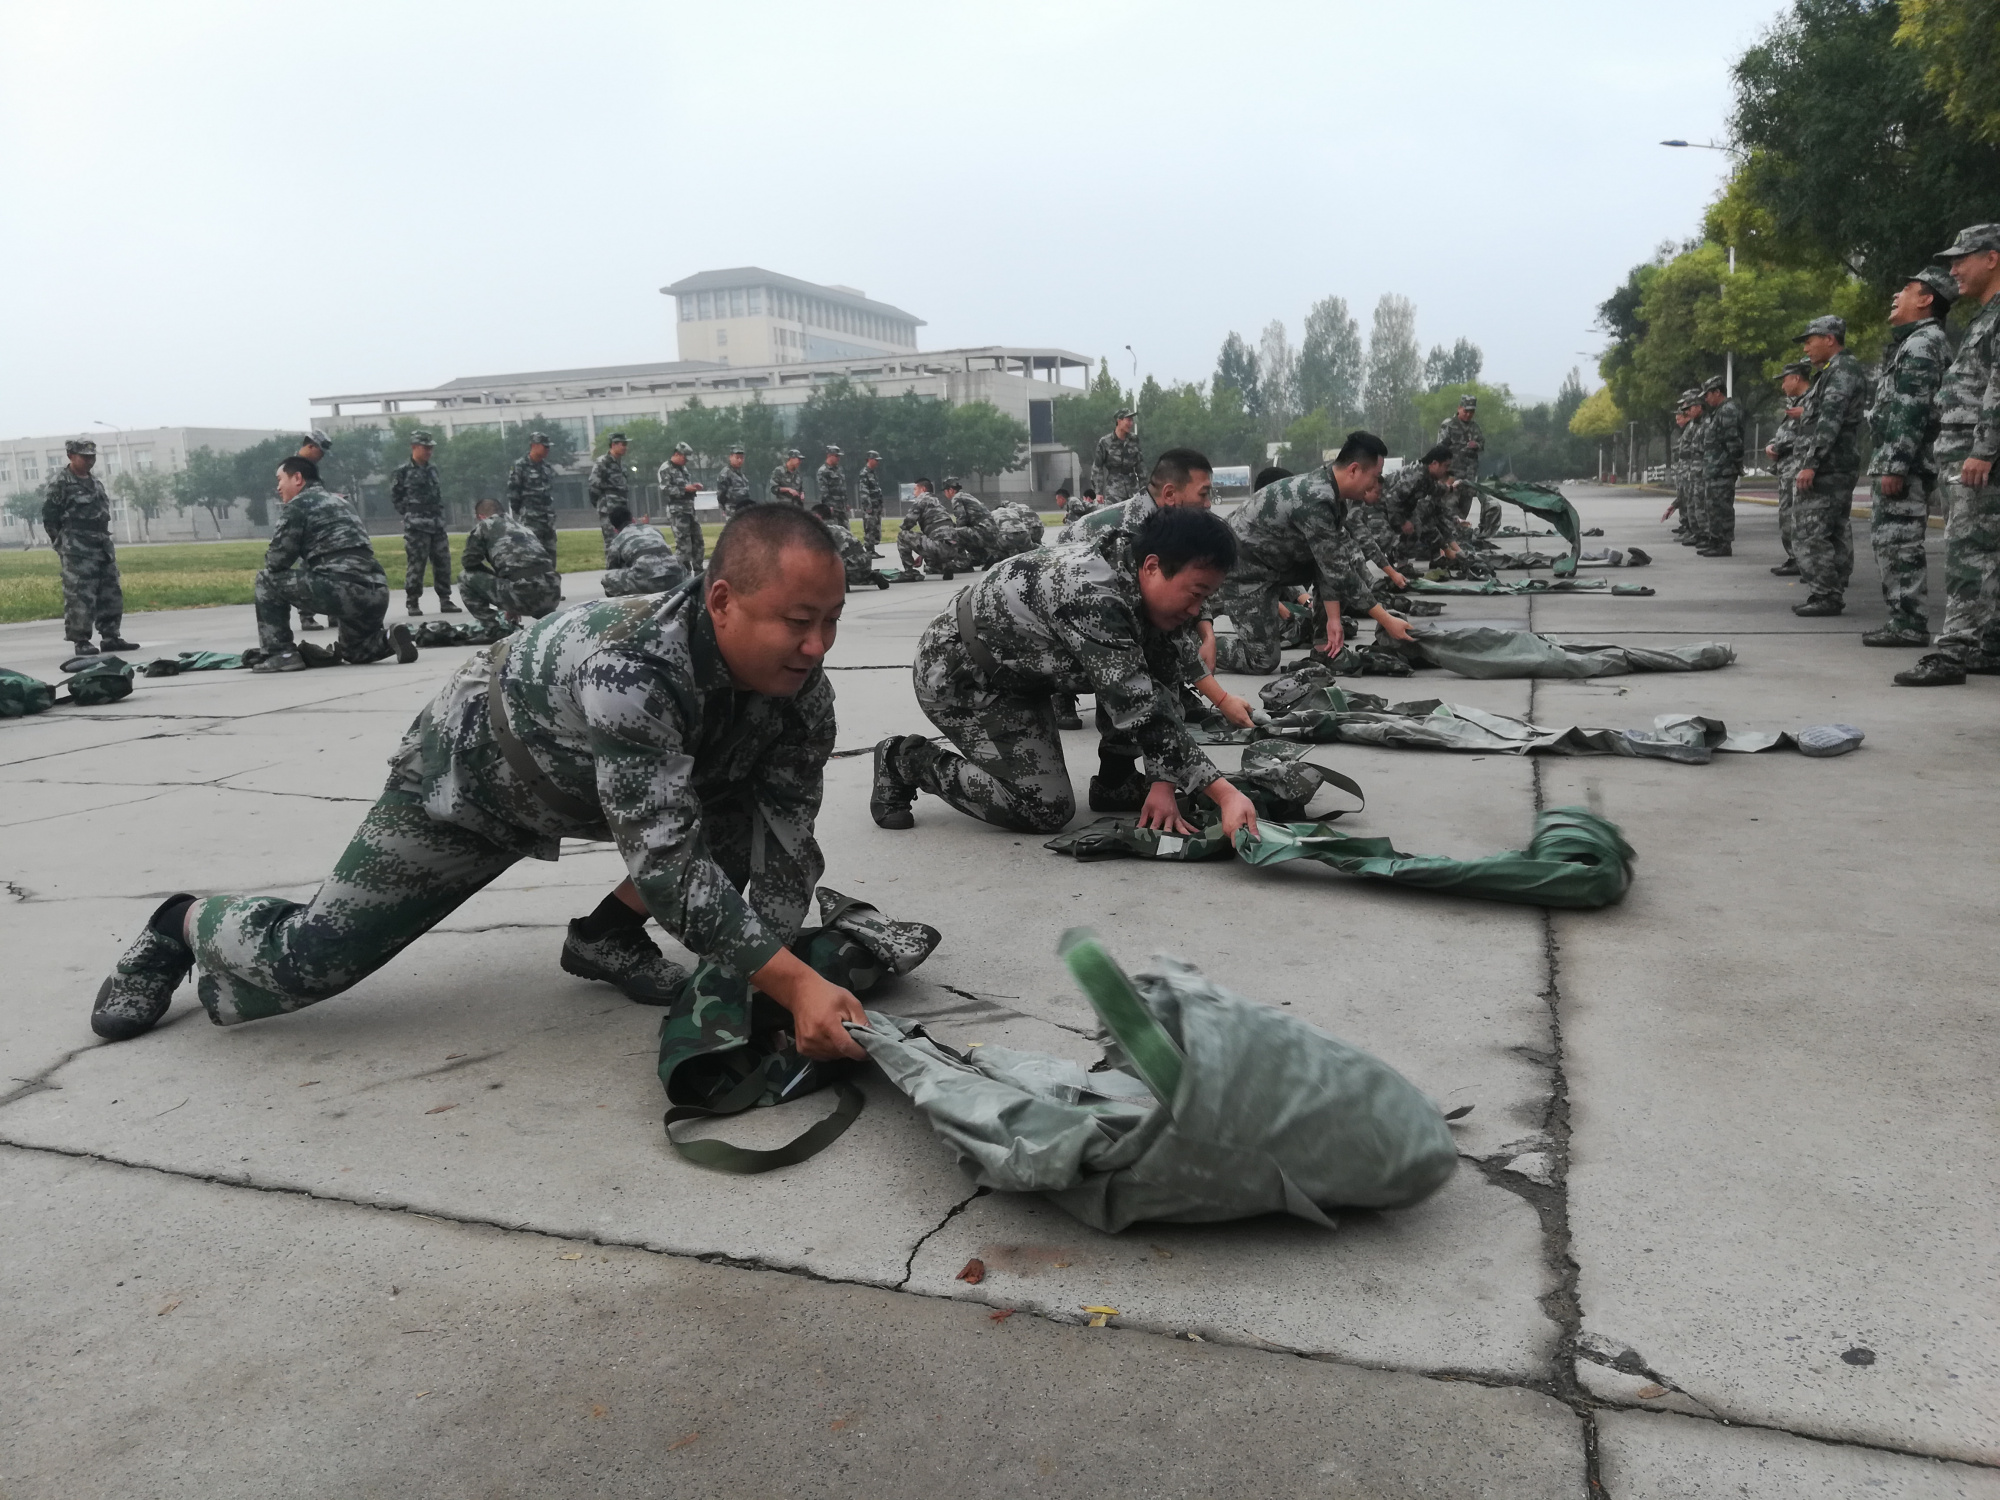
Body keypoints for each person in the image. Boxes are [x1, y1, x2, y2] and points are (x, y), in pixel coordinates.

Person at [91, 504, 869, 1066]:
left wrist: (764, 980)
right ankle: (181, 924)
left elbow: (784, 839)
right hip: (475, 785)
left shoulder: (802, 690)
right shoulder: (633, 667)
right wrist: (794, 980)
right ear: (723, 602)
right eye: (798, 620)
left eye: (831, 620)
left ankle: (603, 937)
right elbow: (668, 863)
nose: (816, 645)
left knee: (739, 830)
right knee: (311, 960)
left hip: (600, 788)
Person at [869, 506, 1261, 840]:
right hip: (964, 681)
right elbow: (1142, 709)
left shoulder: (1140, 573)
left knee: (1138, 670)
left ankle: (1117, 782)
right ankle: (905, 760)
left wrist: (1164, 784)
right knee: (1043, 808)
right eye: (1196, 594)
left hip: (1025, 676)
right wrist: (1225, 795)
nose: (1196, 611)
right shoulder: (1091, 594)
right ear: (1154, 567)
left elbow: (1163, 674)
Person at [1208, 432, 1416, 674]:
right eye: (1375, 476)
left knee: (1340, 561)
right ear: (1354, 470)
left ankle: (1325, 648)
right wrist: (1386, 620)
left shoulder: (1332, 494)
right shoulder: (1316, 500)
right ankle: (1192, 645)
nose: (1376, 483)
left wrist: (1334, 621)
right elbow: (1339, 573)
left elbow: (1327, 565)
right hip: (1243, 571)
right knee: (1262, 660)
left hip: (1274, 565)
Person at [1897, 225, 2000, 687]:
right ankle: (1989, 644)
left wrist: (1983, 449)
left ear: (1992, 258)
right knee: (1985, 553)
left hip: (1978, 458)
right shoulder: (1985, 316)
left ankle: (1954, 651)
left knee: (1967, 553)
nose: (1953, 269)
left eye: (1963, 259)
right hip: (1967, 454)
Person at [250, 456, 417, 674]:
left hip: (341, 589)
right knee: (355, 651)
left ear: (297, 478)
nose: (278, 486)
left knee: (266, 580)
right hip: (376, 590)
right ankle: (388, 638)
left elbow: (276, 561)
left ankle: (280, 654)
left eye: (280, 479)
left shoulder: (297, 506)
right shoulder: (342, 502)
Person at [1862, 267, 1957, 647]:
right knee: (1893, 541)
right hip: (1910, 460)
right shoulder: (1914, 342)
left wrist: (1895, 464)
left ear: (1926, 299)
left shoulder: (1921, 344)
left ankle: (1909, 622)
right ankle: (1904, 617)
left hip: (1909, 464)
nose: (1895, 295)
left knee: (1899, 542)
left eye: (1906, 288)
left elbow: (1911, 409)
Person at [1790, 316, 1870, 617]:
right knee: (1832, 529)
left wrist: (1811, 463)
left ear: (1829, 339)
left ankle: (1825, 593)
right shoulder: (1833, 372)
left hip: (1830, 465)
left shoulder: (1840, 372)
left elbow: (1830, 422)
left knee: (1812, 531)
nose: (1807, 348)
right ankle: (1831, 589)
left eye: (1810, 340)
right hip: (1835, 463)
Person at [42, 438, 138, 655]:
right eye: (84, 456)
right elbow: (50, 517)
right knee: (80, 594)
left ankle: (111, 636)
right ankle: (81, 640)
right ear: (71, 456)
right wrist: (61, 544)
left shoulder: (95, 482)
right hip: (77, 547)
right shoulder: (61, 483)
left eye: (92, 456)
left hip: (101, 544)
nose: (89, 461)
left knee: (110, 591)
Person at [460, 497, 561, 634]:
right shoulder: (523, 527)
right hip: (553, 593)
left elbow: (469, 562)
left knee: (465, 577)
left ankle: (493, 628)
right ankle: (548, 622)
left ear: (481, 516)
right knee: (527, 576)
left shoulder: (485, 526)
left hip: (524, 596)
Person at [391, 431, 460, 617]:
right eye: (426, 447)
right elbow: (396, 496)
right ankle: (412, 601)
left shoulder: (433, 469)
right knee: (417, 564)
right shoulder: (403, 471)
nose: (429, 451)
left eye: (431, 448)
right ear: (414, 447)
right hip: (417, 525)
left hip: (436, 523)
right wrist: (410, 514)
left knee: (443, 562)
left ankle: (445, 599)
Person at [1373, 445, 1467, 572]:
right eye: (1445, 466)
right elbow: (1391, 499)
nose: (1446, 470)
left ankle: (1401, 565)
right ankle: (1393, 554)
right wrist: (1402, 522)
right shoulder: (1415, 476)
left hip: (1402, 506)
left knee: (1415, 527)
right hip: (1382, 505)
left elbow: (1435, 489)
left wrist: (1450, 488)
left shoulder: (1427, 476)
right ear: (1434, 463)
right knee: (1387, 537)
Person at [1765, 364, 1812, 575]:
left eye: (1785, 380)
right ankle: (1796, 558)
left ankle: (1803, 560)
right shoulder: (1797, 404)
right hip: (1787, 468)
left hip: (1797, 467)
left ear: (1796, 378)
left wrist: (1777, 447)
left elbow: (1803, 435)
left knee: (1798, 517)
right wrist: (1773, 445)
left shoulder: (1811, 402)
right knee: (1788, 516)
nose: (1783, 385)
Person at [1697, 375, 1744, 557]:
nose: (1706, 399)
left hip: (1723, 469)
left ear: (1718, 392)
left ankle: (1723, 544)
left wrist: (1735, 465)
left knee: (1722, 508)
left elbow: (1733, 440)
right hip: (1715, 469)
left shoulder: (1728, 410)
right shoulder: (1718, 411)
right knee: (1713, 507)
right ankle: (1715, 540)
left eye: (1708, 395)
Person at [293, 431, 335, 632]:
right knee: (307, 570)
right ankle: (306, 615)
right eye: (320, 451)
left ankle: (333, 612)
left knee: (330, 566)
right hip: (306, 524)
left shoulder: (311, 469)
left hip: (321, 524)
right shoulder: (293, 468)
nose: (322, 455)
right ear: (310, 446)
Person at [599, 504, 688, 596]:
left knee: (607, 579)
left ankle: (629, 605)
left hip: (649, 581)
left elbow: (612, 567)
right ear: (633, 519)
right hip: (677, 577)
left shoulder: (617, 540)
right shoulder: (653, 529)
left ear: (615, 530)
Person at [1438, 394, 1494, 532]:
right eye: (1466, 411)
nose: (1469, 414)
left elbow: (1482, 443)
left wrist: (1477, 445)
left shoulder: (1475, 427)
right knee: (1450, 506)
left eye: (1472, 412)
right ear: (1459, 408)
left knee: (1465, 506)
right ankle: (1451, 533)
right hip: (1452, 474)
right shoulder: (1448, 425)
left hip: (1469, 476)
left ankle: (1460, 533)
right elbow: (1439, 449)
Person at [896, 478, 971, 579]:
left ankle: (909, 573)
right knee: (934, 540)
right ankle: (945, 565)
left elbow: (908, 523)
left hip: (938, 546)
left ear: (922, 489)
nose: (914, 493)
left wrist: (904, 529)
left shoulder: (922, 498)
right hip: (953, 549)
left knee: (902, 536)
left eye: (915, 489)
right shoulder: (937, 503)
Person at [507, 431, 561, 564]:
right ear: (534, 446)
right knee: (532, 559)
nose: (548, 449)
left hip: (547, 522)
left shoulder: (547, 468)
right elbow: (514, 495)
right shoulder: (520, 466)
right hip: (530, 520)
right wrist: (525, 511)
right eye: (545, 446)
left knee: (550, 561)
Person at [811, 503, 891, 590]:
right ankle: (872, 577)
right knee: (856, 573)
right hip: (865, 564)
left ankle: (840, 582)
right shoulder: (840, 527)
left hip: (850, 566)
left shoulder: (822, 531)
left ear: (817, 516)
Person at [658, 441, 706, 572]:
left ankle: (698, 569)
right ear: (677, 454)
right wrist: (684, 489)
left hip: (689, 509)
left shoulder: (683, 469)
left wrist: (693, 487)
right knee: (683, 544)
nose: (686, 461)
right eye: (685, 457)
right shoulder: (665, 468)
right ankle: (681, 571)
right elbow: (665, 489)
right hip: (677, 511)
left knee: (698, 541)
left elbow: (685, 486)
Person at [588, 433, 632, 559]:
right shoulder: (603, 462)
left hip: (622, 507)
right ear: (613, 445)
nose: (625, 447)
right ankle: (612, 571)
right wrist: (601, 504)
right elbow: (593, 485)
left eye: (626, 444)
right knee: (611, 541)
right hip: (609, 508)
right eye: (622, 444)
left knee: (625, 539)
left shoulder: (621, 464)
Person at [1091, 408, 1144, 503]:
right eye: (1128, 420)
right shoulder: (1105, 442)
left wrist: (1144, 489)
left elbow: (1140, 466)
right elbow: (1097, 468)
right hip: (1114, 491)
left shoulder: (1134, 439)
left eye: (1132, 420)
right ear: (1119, 421)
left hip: (1133, 490)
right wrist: (1098, 492)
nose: (1131, 423)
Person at [943, 478, 1000, 565]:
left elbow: (961, 518)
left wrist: (955, 529)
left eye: (945, 491)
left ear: (950, 490)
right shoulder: (966, 495)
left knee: (952, 533)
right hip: (991, 532)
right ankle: (981, 557)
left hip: (983, 531)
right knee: (966, 532)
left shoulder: (956, 498)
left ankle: (962, 564)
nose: (944, 493)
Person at [715, 443, 755, 520]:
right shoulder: (725, 474)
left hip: (744, 509)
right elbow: (721, 495)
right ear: (730, 457)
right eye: (737, 458)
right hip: (732, 510)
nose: (740, 460)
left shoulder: (741, 474)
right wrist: (725, 508)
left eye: (742, 458)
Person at [857, 450, 887, 552]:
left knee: (875, 528)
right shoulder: (864, 473)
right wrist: (867, 505)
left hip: (876, 505)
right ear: (870, 459)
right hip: (870, 506)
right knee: (869, 527)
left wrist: (881, 504)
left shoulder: (873, 473)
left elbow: (877, 489)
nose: (878, 462)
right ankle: (869, 550)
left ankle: (873, 549)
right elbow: (864, 490)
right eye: (876, 460)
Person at [815, 445, 849, 526]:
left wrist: (846, 503)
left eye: (839, 456)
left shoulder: (839, 470)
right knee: (834, 531)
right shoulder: (823, 471)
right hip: (832, 508)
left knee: (846, 532)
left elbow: (842, 487)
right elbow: (824, 491)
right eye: (836, 456)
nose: (838, 458)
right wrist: (828, 506)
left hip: (842, 508)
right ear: (829, 456)